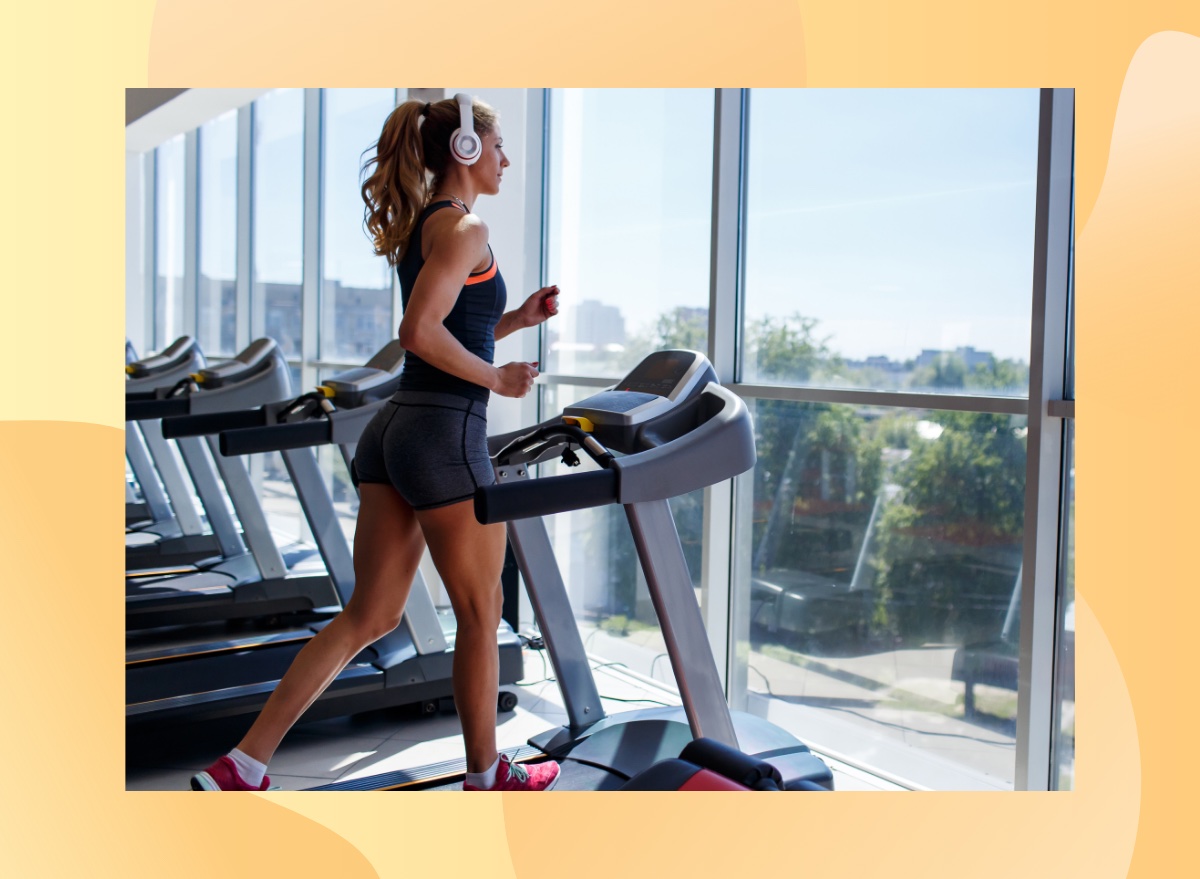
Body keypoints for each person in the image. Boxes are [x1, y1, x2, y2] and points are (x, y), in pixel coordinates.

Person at [191, 94, 561, 792]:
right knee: (483, 614)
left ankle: (242, 763)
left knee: (371, 612)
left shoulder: (431, 225)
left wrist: (514, 318)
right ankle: (489, 777)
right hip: (445, 433)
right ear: (465, 150)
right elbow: (420, 334)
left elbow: (442, 327)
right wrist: (499, 379)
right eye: (499, 145)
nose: (508, 158)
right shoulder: (469, 228)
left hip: (396, 431)